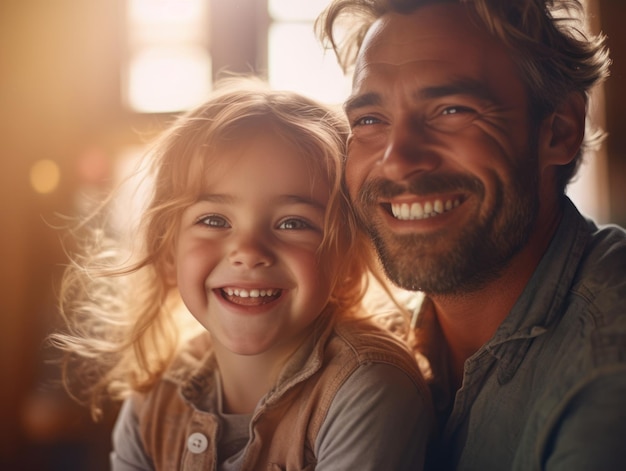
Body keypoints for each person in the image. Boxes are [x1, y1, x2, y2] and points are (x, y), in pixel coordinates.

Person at [51, 78, 433, 470]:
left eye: (292, 223)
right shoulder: (151, 404)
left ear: (346, 259)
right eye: (214, 219)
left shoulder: (368, 388)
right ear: (169, 250)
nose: (249, 252)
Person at [316, 0, 626, 469]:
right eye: (370, 120)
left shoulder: (607, 365)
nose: (397, 159)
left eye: (451, 110)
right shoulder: (363, 346)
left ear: (559, 131)